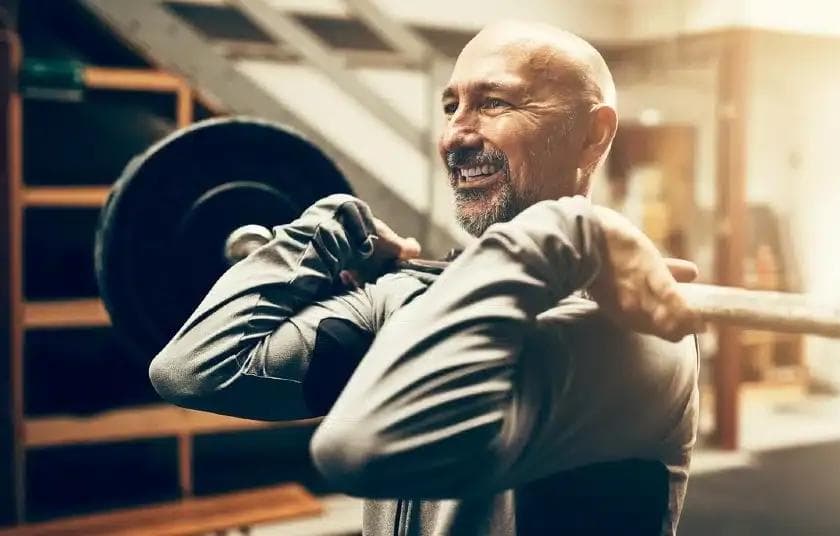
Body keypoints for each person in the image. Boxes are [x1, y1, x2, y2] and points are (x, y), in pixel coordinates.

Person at [149, 21, 702, 535]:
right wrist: (324, 229)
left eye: (493, 102)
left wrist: (570, 229)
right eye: (450, 106)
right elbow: (195, 368)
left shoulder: (636, 340)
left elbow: (362, 447)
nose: (456, 136)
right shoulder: (410, 297)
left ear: (592, 134)